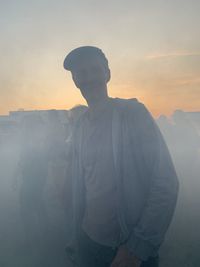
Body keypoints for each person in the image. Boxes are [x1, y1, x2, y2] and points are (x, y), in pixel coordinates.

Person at [63, 46, 179, 267]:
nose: (89, 78)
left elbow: (165, 182)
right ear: (75, 81)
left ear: (108, 74)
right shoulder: (79, 125)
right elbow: (82, 187)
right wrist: (75, 235)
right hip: (89, 241)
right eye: (81, 73)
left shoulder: (133, 115)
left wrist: (137, 248)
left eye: (94, 70)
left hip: (127, 248)